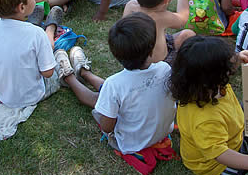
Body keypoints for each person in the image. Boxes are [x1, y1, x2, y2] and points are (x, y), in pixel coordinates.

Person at [56, 12, 177, 155]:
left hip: (128, 143)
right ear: (151, 49)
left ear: (116, 55)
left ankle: (68, 77)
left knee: (103, 98)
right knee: (114, 92)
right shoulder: (165, 69)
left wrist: (109, 110)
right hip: (160, 134)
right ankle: (84, 72)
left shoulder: (115, 84)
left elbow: (107, 127)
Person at [169, 36, 248, 175]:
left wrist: (238, 58)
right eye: (226, 67)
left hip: (233, 131)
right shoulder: (206, 120)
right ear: (213, 77)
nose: (230, 70)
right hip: (218, 164)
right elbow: (220, 154)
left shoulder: (207, 87)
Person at [123, 0, 195, 64]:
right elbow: (183, 18)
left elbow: (157, 5)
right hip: (157, 65)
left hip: (134, 59)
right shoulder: (162, 17)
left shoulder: (131, 6)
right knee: (189, 34)